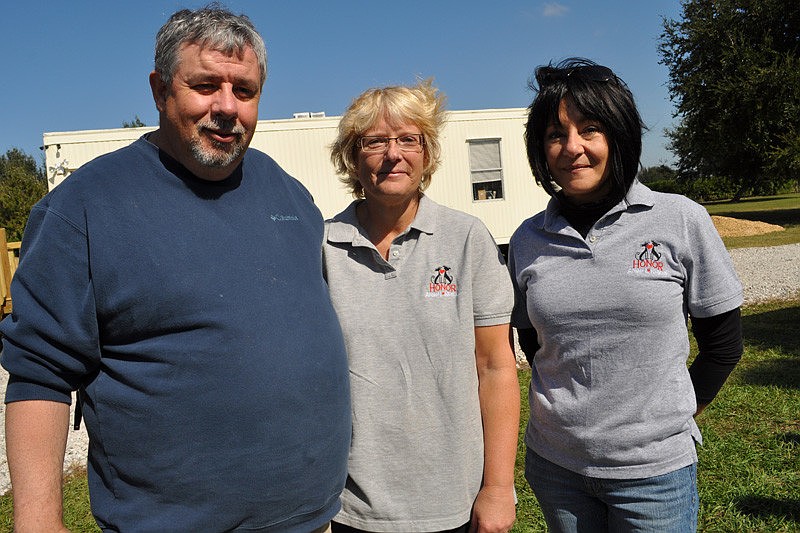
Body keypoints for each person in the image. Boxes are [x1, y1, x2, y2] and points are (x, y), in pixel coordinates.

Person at [1, 6, 350, 532]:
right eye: (206, 85)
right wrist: (38, 521)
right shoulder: (84, 210)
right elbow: (39, 375)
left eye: (246, 90)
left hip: (312, 521)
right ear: (159, 89)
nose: (228, 108)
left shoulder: (288, 194)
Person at [508, 57, 744, 532]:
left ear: (618, 135)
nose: (572, 147)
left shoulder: (680, 218)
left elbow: (723, 345)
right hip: (557, 469)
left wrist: (663, 420)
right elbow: (535, 344)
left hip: (654, 474)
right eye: (556, 134)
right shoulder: (527, 239)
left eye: (590, 129)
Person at [324, 80, 520, 533]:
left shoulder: (467, 238)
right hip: (351, 506)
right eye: (374, 141)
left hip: (454, 499)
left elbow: (495, 366)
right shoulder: (323, 248)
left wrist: (497, 487)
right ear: (352, 158)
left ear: (427, 154)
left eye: (408, 139)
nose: (393, 153)